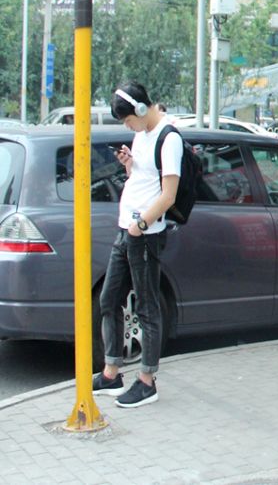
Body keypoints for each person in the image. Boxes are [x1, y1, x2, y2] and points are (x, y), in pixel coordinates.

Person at [92, 83, 182, 408]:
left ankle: (147, 381)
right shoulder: (141, 135)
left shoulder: (169, 139)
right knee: (109, 297)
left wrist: (141, 224)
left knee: (146, 307)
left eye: (128, 120)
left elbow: (168, 195)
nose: (126, 126)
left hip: (144, 233)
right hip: (126, 229)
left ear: (142, 111)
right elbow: (144, 178)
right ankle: (112, 372)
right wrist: (130, 165)